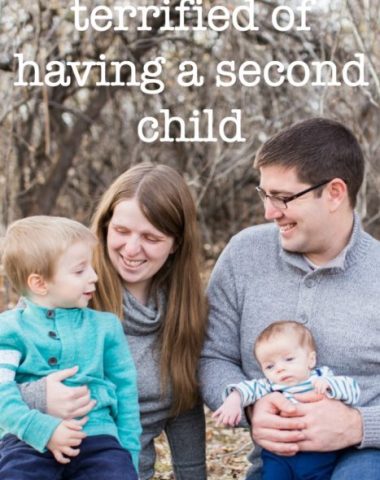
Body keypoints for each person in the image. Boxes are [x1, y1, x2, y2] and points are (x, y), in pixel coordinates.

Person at [200, 117, 380, 480]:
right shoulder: (244, 255)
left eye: (283, 198)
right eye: (264, 194)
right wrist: (253, 408)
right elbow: (211, 355)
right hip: (280, 465)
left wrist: (360, 425)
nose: (269, 212)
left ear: (334, 193)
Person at [16, 164, 208, 480]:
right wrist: (39, 396)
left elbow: (184, 407)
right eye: (121, 231)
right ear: (104, 227)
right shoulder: (60, 290)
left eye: (151, 237)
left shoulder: (185, 311)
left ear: (176, 243)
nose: (131, 249)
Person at [0, 216, 141, 479]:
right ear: (39, 283)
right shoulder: (9, 330)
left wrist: (129, 454)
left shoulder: (105, 327)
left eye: (91, 267)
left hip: (98, 440)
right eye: (80, 271)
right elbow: (1, 393)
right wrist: (42, 430)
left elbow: (125, 392)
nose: (94, 277)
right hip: (27, 441)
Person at [213, 320, 360, 479]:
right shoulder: (270, 386)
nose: (280, 368)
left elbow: (352, 390)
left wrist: (330, 386)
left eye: (289, 359)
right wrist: (234, 400)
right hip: (279, 454)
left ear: (310, 359)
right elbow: (246, 388)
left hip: (319, 454)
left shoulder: (320, 378)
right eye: (270, 366)